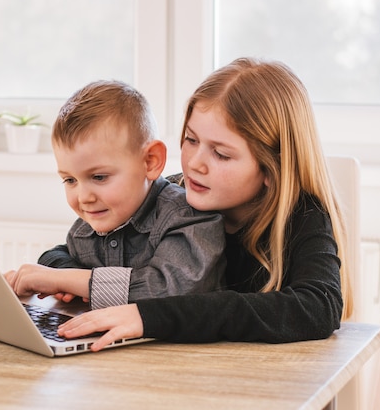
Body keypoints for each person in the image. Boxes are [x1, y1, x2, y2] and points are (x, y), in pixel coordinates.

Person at [45, 58, 353, 351]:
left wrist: (149, 315)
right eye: (191, 140)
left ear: (272, 169)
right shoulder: (176, 195)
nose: (195, 164)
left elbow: (317, 308)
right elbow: (77, 249)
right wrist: (68, 276)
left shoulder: (301, 215)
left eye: (220, 154)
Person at [5, 80, 226, 309]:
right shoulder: (85, 230)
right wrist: (62, 279)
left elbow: (168, 289)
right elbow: (56, 256)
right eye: (70, 180)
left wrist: (66, 280)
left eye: (99, 177)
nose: (83, 198)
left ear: (150, 161)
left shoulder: (187, 217)